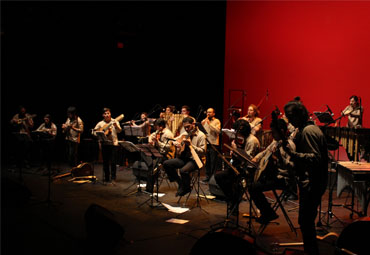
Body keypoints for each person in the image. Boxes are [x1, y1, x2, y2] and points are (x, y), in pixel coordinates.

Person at [283, 100, 329, 255]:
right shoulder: (306, 129)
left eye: (290, 116)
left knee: (306, 222)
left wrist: (293, 154)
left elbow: (315, 158)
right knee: (306, 221)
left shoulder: (308, 131)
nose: (288, 120)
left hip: (312, 183)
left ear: (298, 115)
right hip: (313, 182)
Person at [249, 116, 296, 224]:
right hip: (274, 174)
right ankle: (266, 210)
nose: (272, 135)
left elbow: (292, 166)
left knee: (254, 188)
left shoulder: (289, 145)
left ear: (282, 131)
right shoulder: (276, 142)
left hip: (283, 178)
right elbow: (266, 151)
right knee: (251, 182)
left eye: (274, 132)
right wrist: (257, 157)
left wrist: (279, 158)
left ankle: (268, 213)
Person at [215, 119, 260, 214]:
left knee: (236, 184)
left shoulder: (252, 140)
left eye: (238, 132)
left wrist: (236, 151)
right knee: (218, 176)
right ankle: (231, 199)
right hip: (239, 167)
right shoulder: (243, 138)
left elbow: (248, 160)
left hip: (248, 170)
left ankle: (233, 202)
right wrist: (233, 152)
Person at [162, 117, 206, 196]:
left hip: (196, 160)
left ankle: (186, 188)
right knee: (166, 163)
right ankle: (181, 183)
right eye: (185, 127)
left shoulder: (201, 135)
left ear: (193, 124)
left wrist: (191, 146)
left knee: (183, 171)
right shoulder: (185, 134)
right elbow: (174, 140)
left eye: (188, 127)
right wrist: (175, 143)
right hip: (185, 158)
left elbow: (203, 152)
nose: (186, 129)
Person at [93, 108, 122, 185]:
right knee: (105, 162)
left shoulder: (115, 121)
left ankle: (113, 178)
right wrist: (100, 133)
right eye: (105, 114)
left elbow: (119, 131)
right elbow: (94, 132)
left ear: (110, 114)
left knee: (113, 162)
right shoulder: (100, 123)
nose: (107, 115)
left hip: (113, 144)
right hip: (105, 144)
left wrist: (116, 126)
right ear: (103, 115)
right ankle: (106, 178)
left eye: (108, 113)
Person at [147, 118, 175, 192]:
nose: (155, 128)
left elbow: (168, 147)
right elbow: (151, 135)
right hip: (159, 153)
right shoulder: (158, 131)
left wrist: (158, 142)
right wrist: (151, 139)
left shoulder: (168, 134)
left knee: (154, 166)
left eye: (156, 126)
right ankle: (149, 187)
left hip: (167, 155)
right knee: (147, 159)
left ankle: (149, 189)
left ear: (161, 126)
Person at [10, 105, 35, 169]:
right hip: (18, 135)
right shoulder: (16, 116)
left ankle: (27, 163)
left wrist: (27, 121)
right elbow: (11, 122)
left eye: (24, 111)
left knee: (27, 149)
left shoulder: (28, 116)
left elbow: (32, 126)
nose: (23, 113)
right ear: (19, 111)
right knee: (18, 150)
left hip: (26, 134)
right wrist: (14, 121)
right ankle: (18, 163)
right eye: (21, 111)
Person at [200, 108, 221, 183]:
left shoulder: (216, 121)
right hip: (206, 143)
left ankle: (213, 178)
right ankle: (207, 176)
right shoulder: (204, 121)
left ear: (213, 114)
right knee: (207, 161)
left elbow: (218, 131)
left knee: (213, 161)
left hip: (213, 143)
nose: (208, 114)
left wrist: (210, 124)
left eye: (210, 112)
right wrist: (201, 125)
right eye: (207, 112)